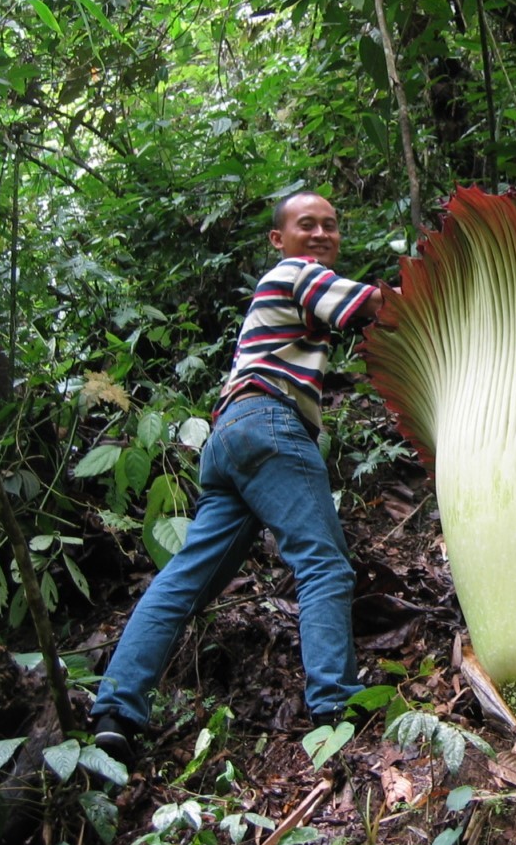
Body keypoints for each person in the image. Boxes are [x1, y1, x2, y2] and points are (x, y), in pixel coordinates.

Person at [90, 191, 384, 765]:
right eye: (307, 225)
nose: (322, 234)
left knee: (185, 580)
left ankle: (116, 708)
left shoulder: (289, 287)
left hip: (228, 437)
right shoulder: (298, 272)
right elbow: (373, 306)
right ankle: (336, 704)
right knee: (322, 562)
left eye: (331, 225)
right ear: (279, 239)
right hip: (271, 425)